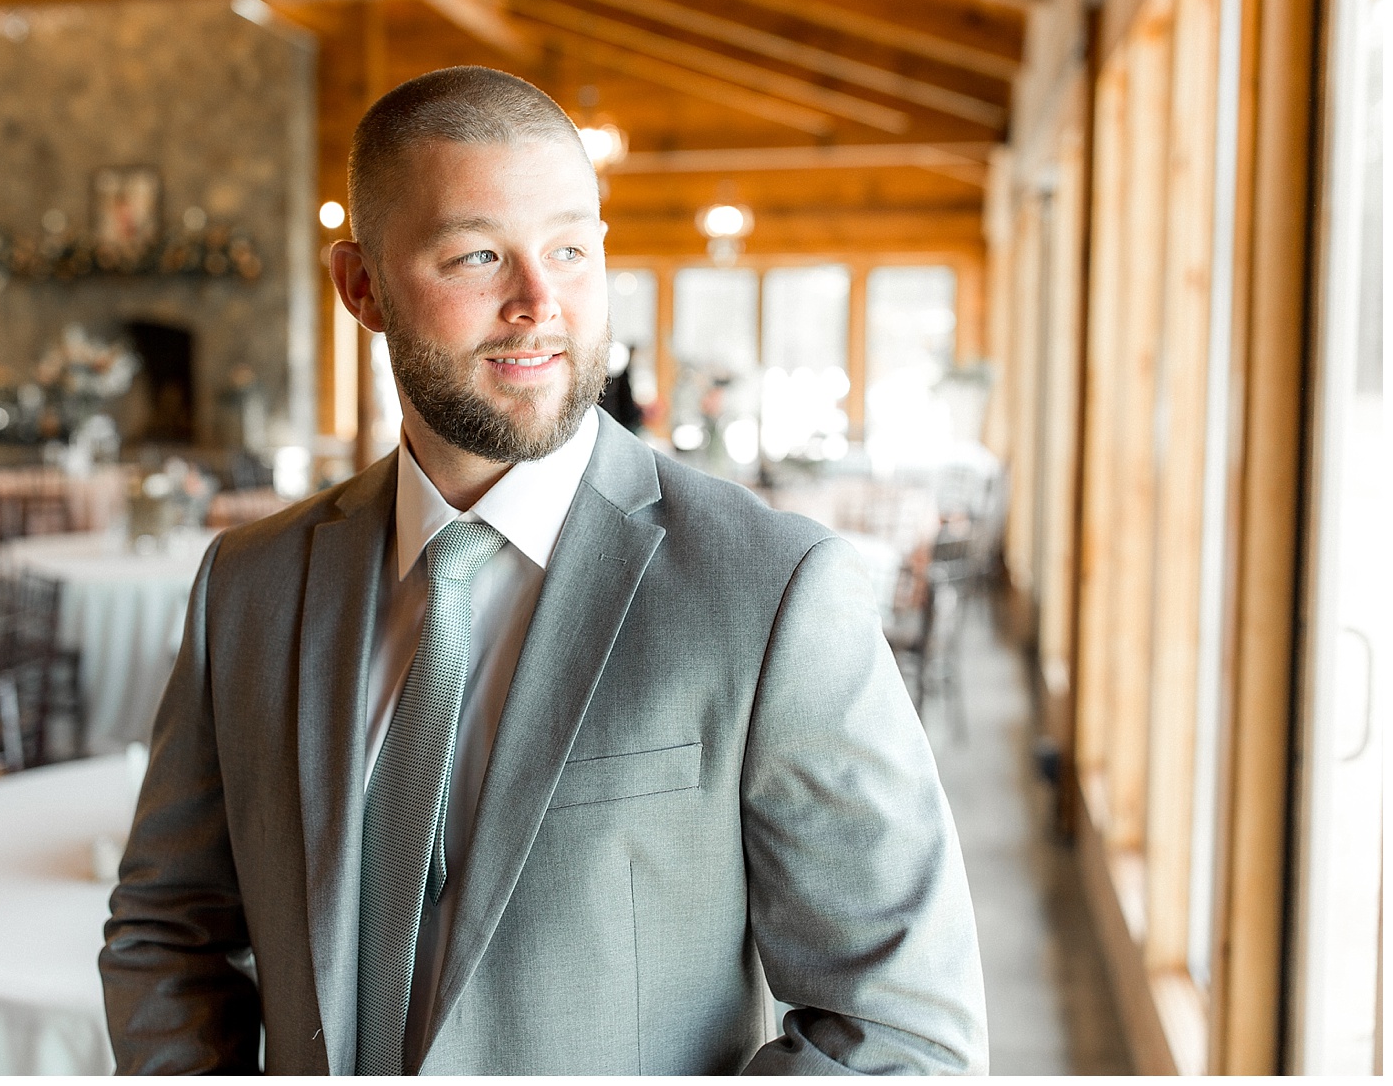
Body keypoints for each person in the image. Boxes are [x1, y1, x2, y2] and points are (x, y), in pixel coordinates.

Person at [100, 66, 988, 1075]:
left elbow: (904, 1029)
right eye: (478, 254)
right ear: (362, 287)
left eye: (571, 247)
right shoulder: (250, 585)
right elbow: (167, 930)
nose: (539, 302)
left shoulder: (773, 592)